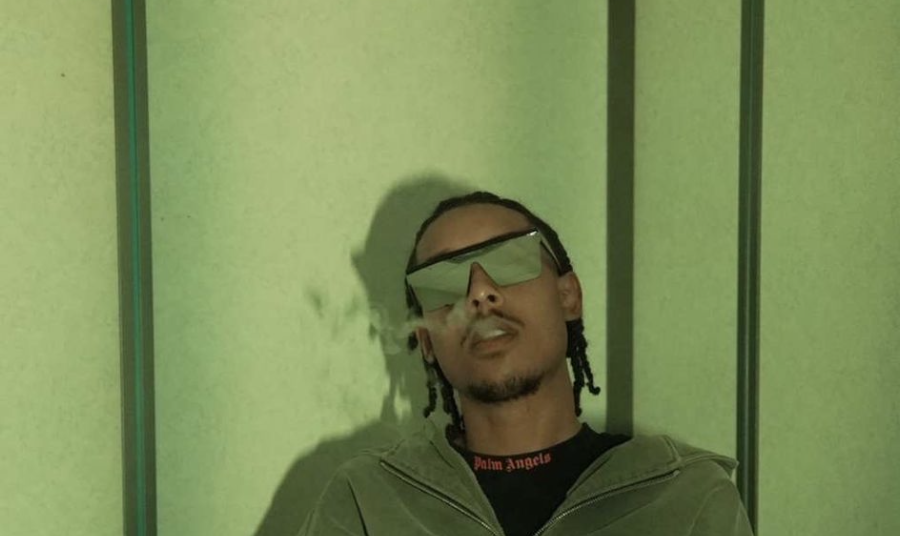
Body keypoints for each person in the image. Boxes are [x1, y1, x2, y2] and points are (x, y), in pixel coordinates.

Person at [300, 191, 754, 535]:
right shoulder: (366, 501)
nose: (479, 292)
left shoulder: (686, 497)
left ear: (568, 296)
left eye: (510, 260)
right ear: (426, 340)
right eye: (443, 282)